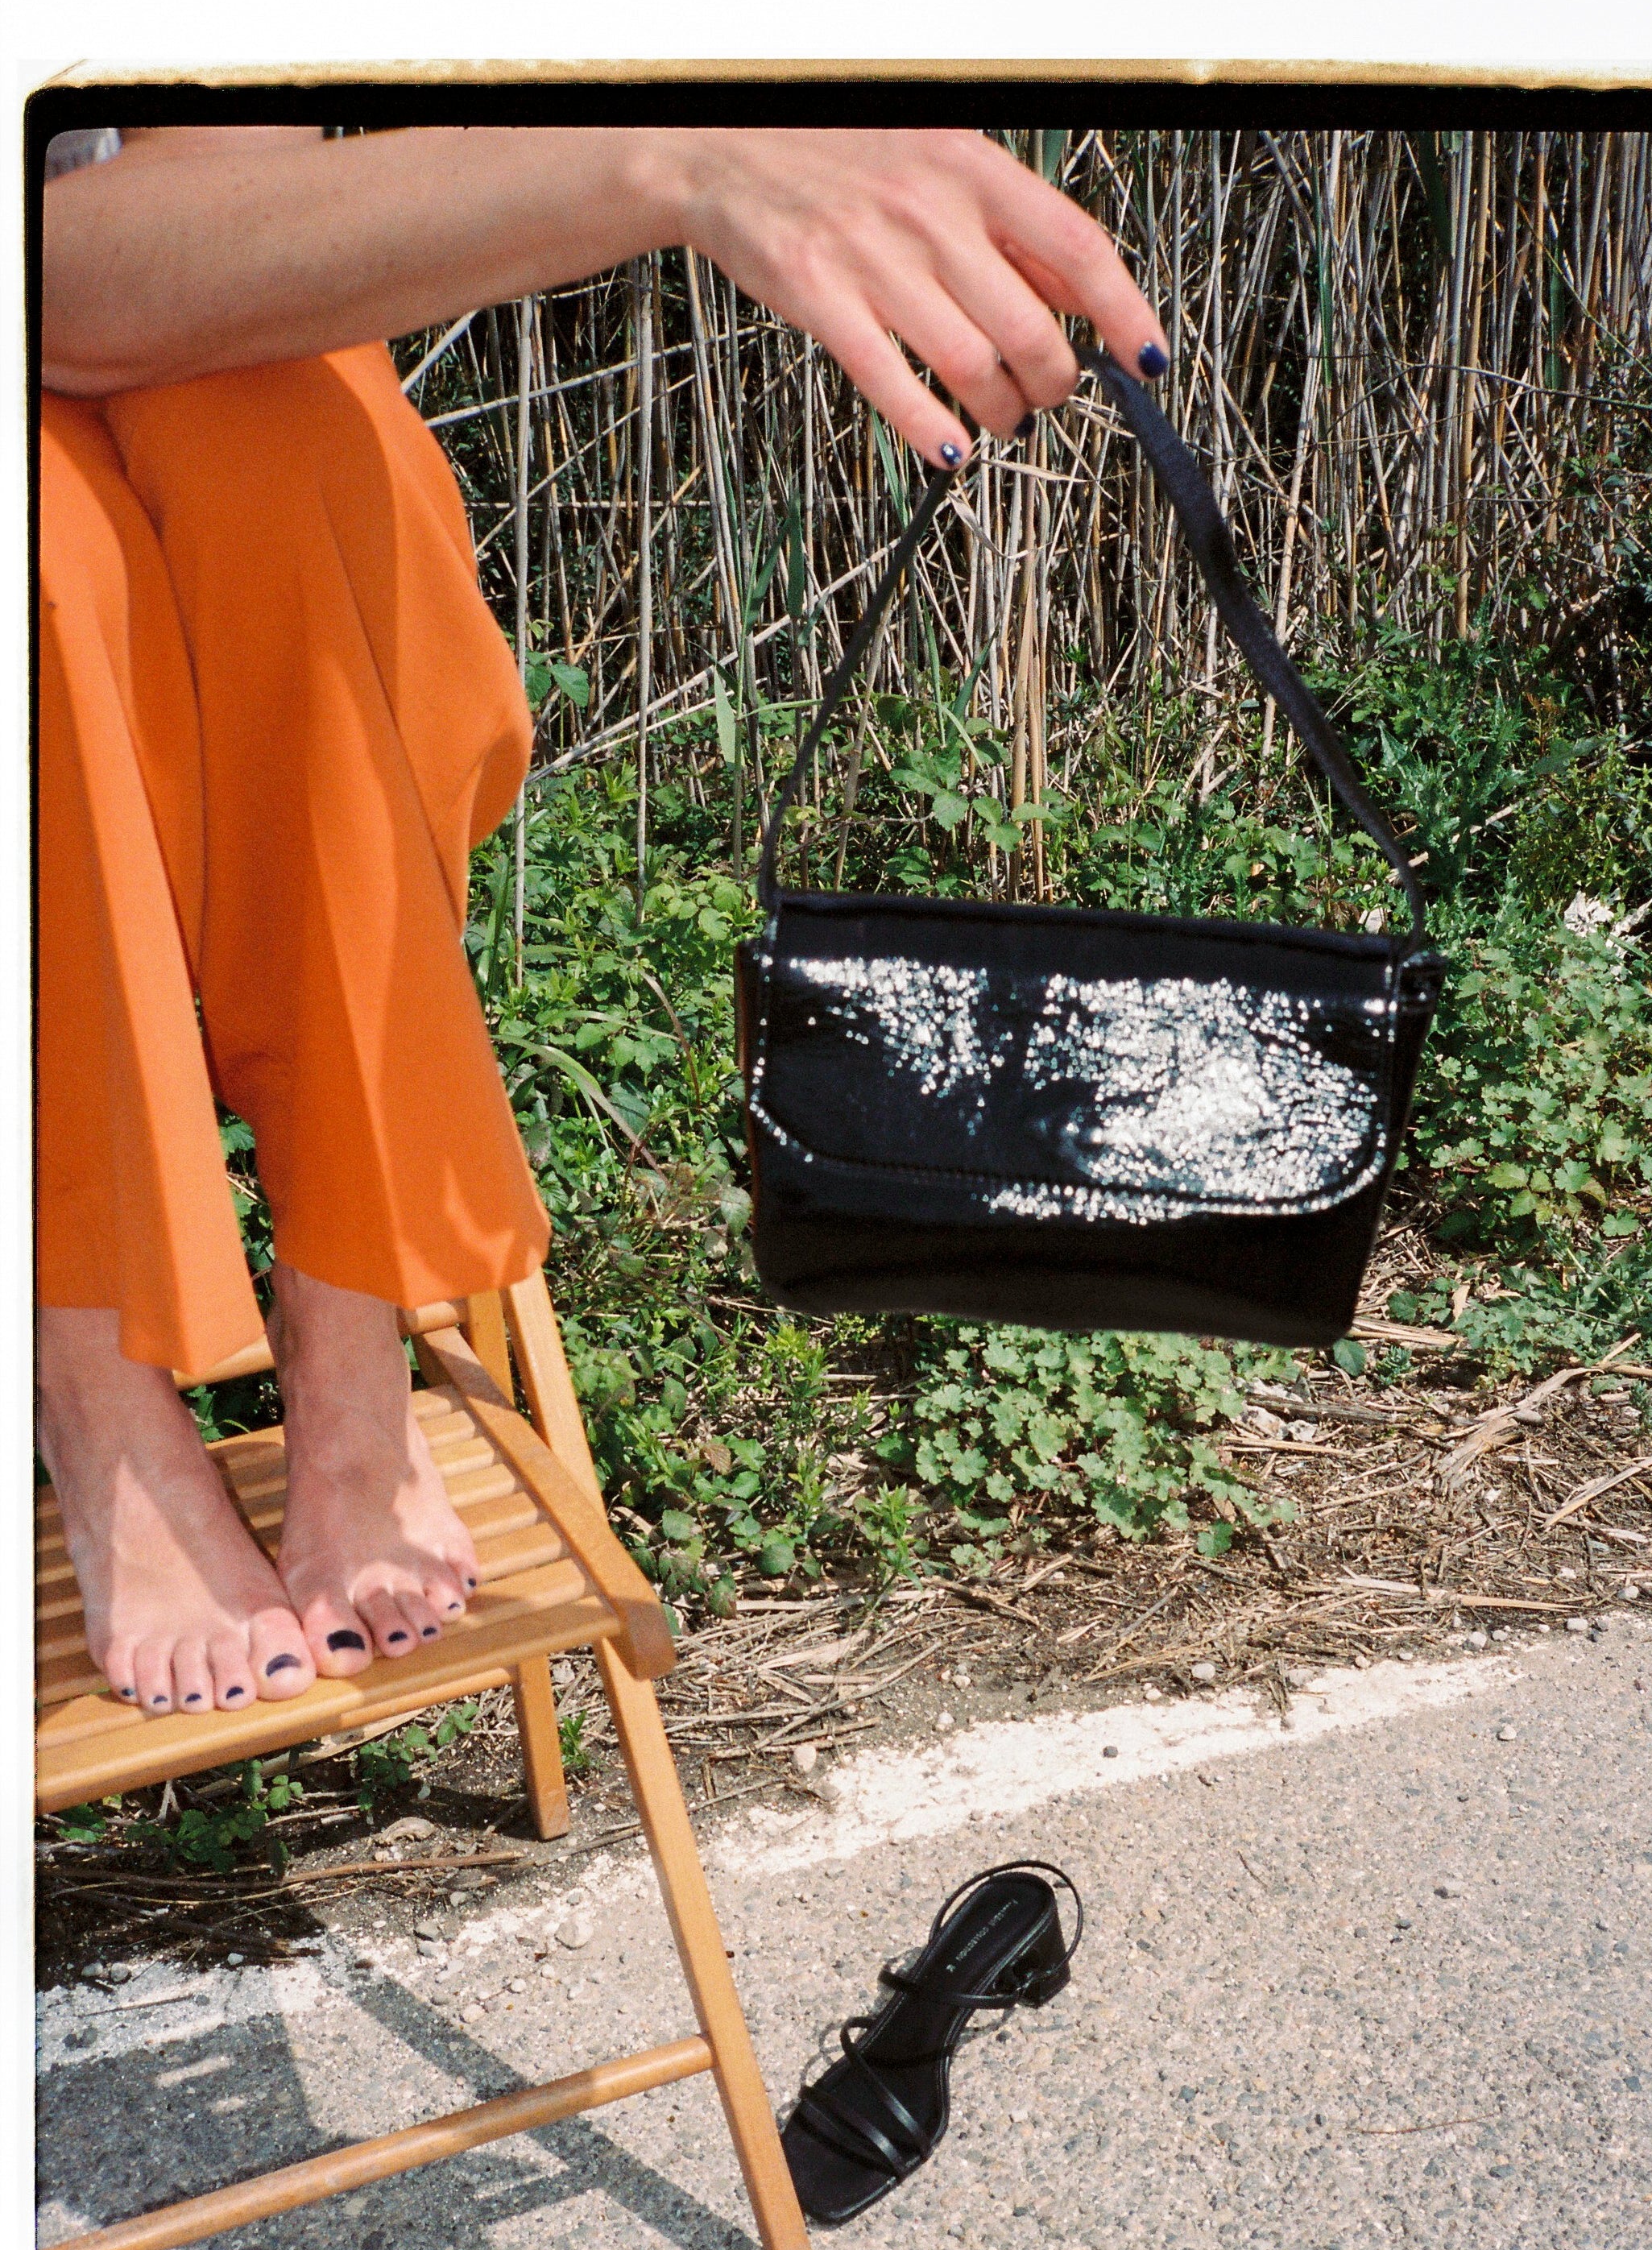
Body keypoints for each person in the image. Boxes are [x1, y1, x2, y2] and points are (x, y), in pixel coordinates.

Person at [38, 123, 1167, 1719]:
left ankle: (350, 1345)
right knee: (46, 575)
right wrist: (679, 165)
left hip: (164, 333)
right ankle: (95, 1396)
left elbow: (191, 188)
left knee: (289, 460)